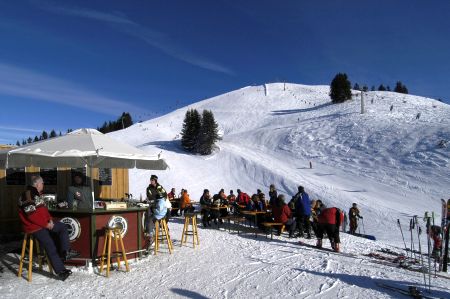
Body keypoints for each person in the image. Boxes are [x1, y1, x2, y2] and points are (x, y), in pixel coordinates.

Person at [18, 176, 79, 281]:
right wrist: (46, 225)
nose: (43, 185)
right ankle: (61, 272)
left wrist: (50, 220)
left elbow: (44, 210)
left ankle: (66, 251)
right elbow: (31, 215)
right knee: (50, 245)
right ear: (37, 184)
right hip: (34, 227)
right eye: (42, 183)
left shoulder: (37, 194)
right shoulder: (27, 195)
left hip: (43, 224)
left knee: (62, 227)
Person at [144, 174, 167, 244]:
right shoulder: (149, 188)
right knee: (148, 214)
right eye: (151, 180)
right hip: (153, 205)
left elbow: (165, 194)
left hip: (160, 207)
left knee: (151, 217)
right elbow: (150, 197)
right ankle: (150, 232)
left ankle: (155, 229)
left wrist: (159, 198)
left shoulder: (159, 187)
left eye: (152, 180)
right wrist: (155, 199)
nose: (151, 181)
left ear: (155, 180)